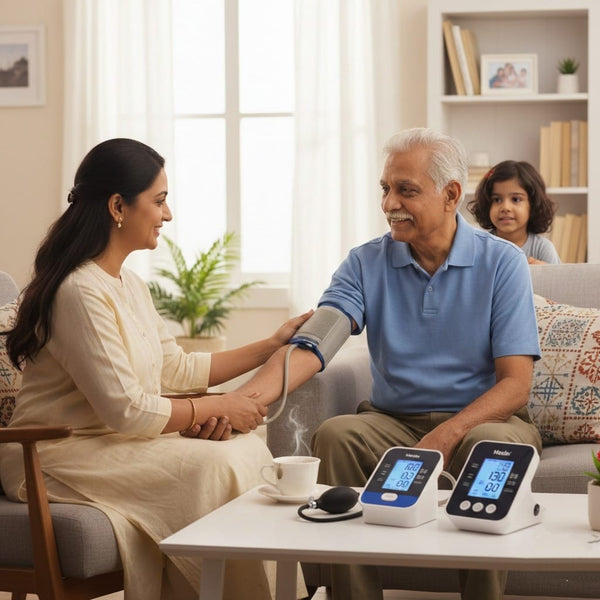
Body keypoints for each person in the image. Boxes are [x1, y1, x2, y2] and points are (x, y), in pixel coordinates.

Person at [234, 128, 542, 600]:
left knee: (489, 447)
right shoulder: (364, 263)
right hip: (393, 421)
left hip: (488, 420)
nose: (388, 203)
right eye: (385, 188)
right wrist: (243, 400)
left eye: (406, 190)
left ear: (451, 195)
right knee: (336, 434)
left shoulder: (502, 263)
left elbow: (516, 385)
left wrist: (448, 433)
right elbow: (318, 340)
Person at [0, 138, 312, 600]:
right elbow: (126, 410)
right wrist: (218, 405)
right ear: (117, 206)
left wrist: (269, 346)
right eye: (160, 200)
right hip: (54, 455)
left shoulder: (129, 284)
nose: (168, 215)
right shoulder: (79, 292)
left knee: (244, 447)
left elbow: (177, 366)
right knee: (218, 464)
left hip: (107, 442)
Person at [468, 160, 560, 264]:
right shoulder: (479, 248)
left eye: (516, 199)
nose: (505, 207)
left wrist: (545, 273)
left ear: (533, 204)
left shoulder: (542, 249)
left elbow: (558, 280)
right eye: (497, 200)